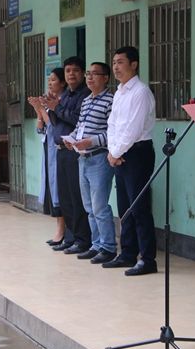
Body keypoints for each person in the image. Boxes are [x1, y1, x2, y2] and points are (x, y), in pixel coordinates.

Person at [105, 46, 158, 276]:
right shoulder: (119, 92)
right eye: (114, 62)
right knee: (124, 206)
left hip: (137, 152)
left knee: (139, 207)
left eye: (121, 62)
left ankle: (147, 259)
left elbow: (133, 129)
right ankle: (127, 253)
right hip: (120, 152)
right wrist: (112, 151)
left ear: (134, 64)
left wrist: (115, 152)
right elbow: (113, 124)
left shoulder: (141, 92)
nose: (116, 67)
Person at [64, 62, 117, 264]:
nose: (90, 78)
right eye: (88, 74)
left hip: (99, 158)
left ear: (105, 78)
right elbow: (80, 127)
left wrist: (91, 141)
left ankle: (109, 247)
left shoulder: (110, 101)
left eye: (95, 74)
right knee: (88, 206)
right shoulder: (86, 101)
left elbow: (111, 132)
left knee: (99, 206)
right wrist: (70, 139)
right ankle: (96, 245)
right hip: (82, 158)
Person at [42, 56, 91, 254]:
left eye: (75, 71)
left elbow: (76, 120)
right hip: (60, 150)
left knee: (77, 197)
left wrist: (57, 108)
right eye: (68, 70)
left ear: (82, 73)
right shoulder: (67, 95)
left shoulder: (84, 95)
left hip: (75, 151)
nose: (71, 74)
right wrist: (50, 108)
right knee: (65, 197)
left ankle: (82, 239)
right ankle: (71, 237)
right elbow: (56, 121)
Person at [28, 67, 68, 246]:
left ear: (62, 83)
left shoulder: (63, 101)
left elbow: (53, 121)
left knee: (60, 188)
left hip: (60, 148)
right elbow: (41, 128)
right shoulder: (48, 101)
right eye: (49, 80)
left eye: (53, 80)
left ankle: (63, 229)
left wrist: (40, 109)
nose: (50, 83)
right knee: (53, 188)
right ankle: (59, 228)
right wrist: (38, 111)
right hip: (49, 148)